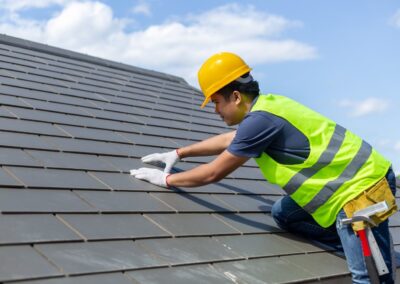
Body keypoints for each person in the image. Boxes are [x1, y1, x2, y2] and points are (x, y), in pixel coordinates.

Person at [130, 52, 397, 283]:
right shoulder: (266, 108)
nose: (215, 110)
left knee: (369, 277)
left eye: (216, 101)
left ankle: (367, 254)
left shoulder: (261, 120)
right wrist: (179, 153)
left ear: (234, 96)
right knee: (283, 213)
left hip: (361, 190)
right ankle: (358, 247)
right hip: (345, 185)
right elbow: (229, 140)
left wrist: (166, 181)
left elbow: (214, 172)